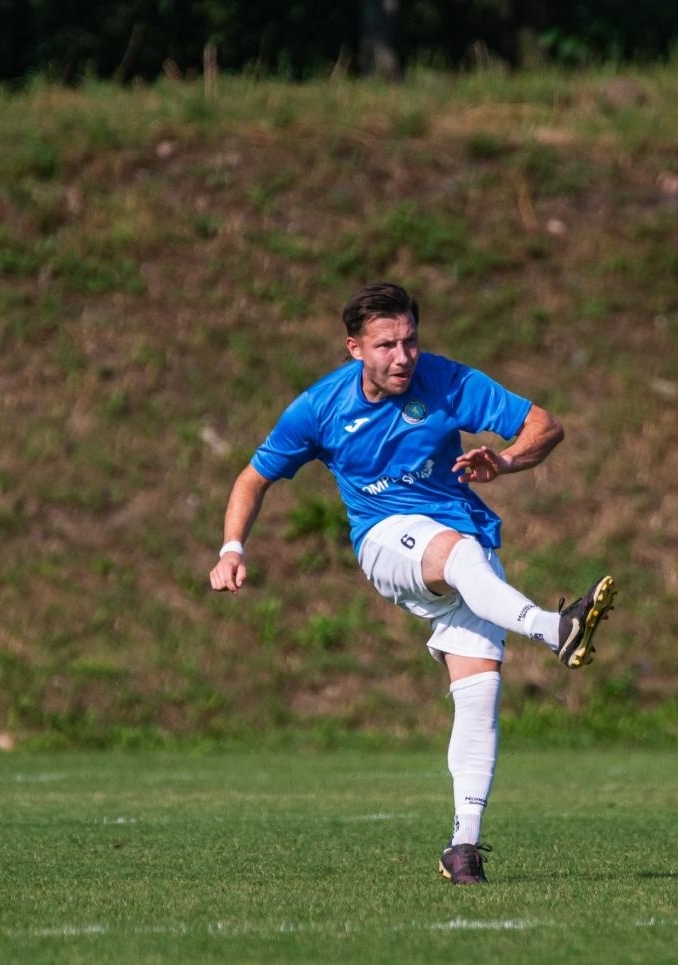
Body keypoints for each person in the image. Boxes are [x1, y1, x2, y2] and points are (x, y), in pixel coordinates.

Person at [209, 282, 617, 886]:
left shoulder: (447, 381)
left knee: (478, 697)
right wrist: (232, 548)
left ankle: (464, 847)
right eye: (386, 345)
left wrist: (505, 461)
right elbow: (253, 477)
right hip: (385, 541)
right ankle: (556, 627)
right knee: (456, 553)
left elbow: (544, 426)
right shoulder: (318, 408)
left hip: (465, 550)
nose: (403, 357)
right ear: (354, 348)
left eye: (410, 341)